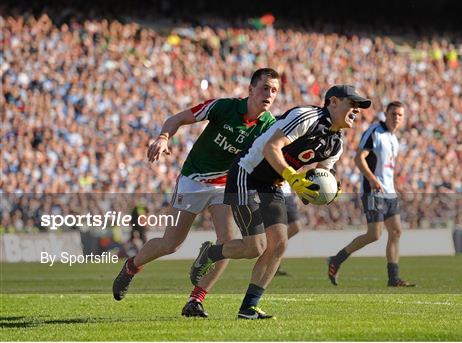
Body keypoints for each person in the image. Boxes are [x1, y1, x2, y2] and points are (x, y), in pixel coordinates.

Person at [189, 85, 371, 319]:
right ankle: (211, 253)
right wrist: (293, 178)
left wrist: (322, 191)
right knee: (254, 247)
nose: (356, 111)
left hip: (273, 183)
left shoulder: (336, 144)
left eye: (359, 107)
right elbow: (270, 147)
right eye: (352, 104)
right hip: (247, 173)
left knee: (279, 244)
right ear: (333, 102)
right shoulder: (306, 116)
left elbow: (321, 175)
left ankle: (248, 308)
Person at [112, 68, 281, 319]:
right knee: (171, 244)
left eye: (274, 90)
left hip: (225, 185)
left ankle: (196, 300)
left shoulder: (269, 126)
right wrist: (163, 137)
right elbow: (177, 118)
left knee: (226, 243)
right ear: (251, 89)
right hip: (194, 179)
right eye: (265, 88)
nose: (269, 94)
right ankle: (131, 267)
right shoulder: (223, 108)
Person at [327, 101, 415, 287]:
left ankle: (393, 278)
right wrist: (373, 180)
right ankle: (337, 259)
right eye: (393, 114)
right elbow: (359, 158)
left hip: (389, 192)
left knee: (396, 231)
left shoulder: (394, 139)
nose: (396, 118)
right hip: (373, 191)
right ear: (386, 114)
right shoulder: (375, 132)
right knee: (374, 234)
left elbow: (388, 169)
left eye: (400, 115)